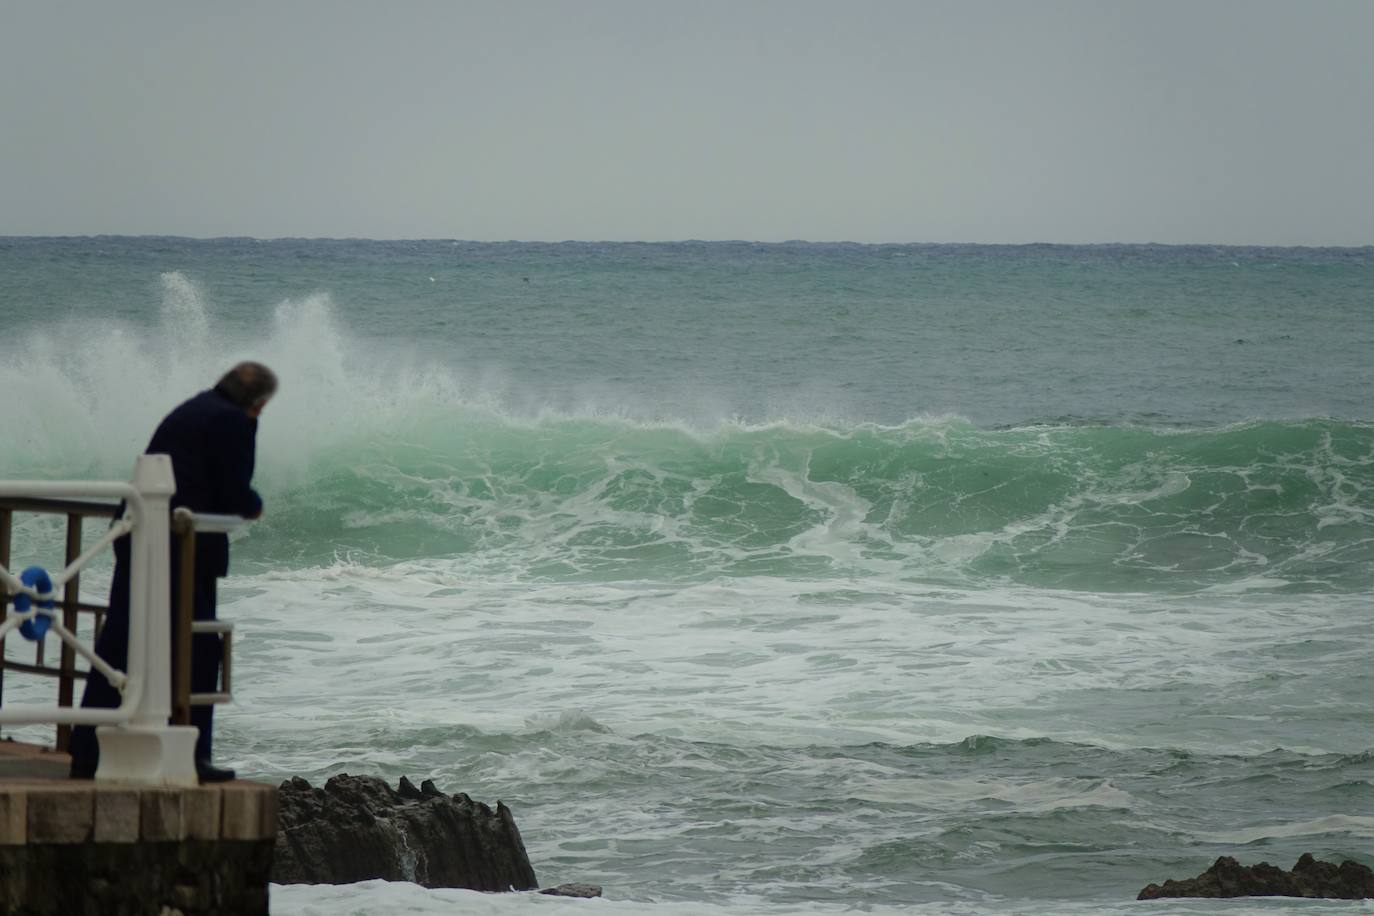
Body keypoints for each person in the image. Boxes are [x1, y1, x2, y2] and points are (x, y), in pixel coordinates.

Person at [69, 361, 276, 782]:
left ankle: (86, 754)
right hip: (175, 546)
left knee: (122, 643)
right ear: (257, 403)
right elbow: (234, 491)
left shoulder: (195, 407)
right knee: (198, 648)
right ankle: (193, 756)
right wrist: (254, 505)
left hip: (138, 530)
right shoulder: (233, 421)